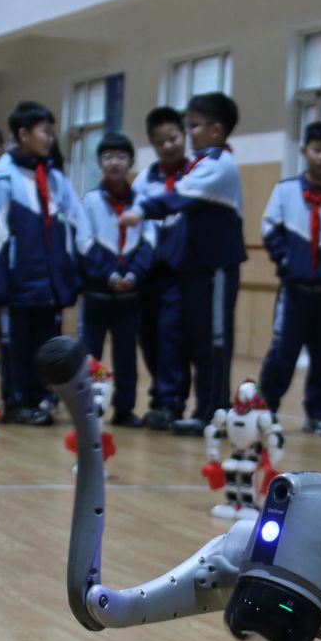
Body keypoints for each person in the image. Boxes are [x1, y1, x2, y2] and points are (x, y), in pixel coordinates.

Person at [121, 91, 246, 434]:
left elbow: (178, 196)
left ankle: (214, 411)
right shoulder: (201, 162)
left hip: (216, 267)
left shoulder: (220, 164)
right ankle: (204, 409)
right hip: (195, 270)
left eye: (194, 126)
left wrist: (140, 210)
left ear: (216, 129)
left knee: (216, 340)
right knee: (200, 341)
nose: (189, 132)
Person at [0, 99, 82, 423]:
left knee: (47, 346)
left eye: (51, 132)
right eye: (44, 132)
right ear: (23, 135)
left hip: (48, 284)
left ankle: (43, 398)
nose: (50, 138)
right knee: (16, 346)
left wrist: (67, 277)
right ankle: (17, 401)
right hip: (16, 282)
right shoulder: (1, 177)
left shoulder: (55, 179)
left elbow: (72, 227)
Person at [258, 120, 321, 435]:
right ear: (304, 151)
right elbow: (269, 228)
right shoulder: (285, 190)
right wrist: (287, 260)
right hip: (294, 290)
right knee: (283, 352)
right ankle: (265, 409)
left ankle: (318, 414)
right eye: (316, 150)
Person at [74, 130, 153, 427]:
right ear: (100, 162)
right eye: (108, 156)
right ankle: (84, 406)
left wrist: (133, 275)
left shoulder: (142, 202)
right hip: (97, 293)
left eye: (121, 156)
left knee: (126, 356)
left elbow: (149, 242)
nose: (115, 162)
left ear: (131, 162)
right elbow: (84, 243)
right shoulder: (89, 201)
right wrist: (107, 275)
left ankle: (124, 409)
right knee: (89, 353)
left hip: (130, 295)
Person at [131, 105, 190, 428]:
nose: (168, 146)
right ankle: (160, 397)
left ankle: (171, 402)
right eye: (160, 141)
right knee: (149, 338)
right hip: (147, 274)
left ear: (184, 135)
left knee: (172, 338)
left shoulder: (196, 176)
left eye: (173, 138)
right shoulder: (143, 181)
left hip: (180, 275)